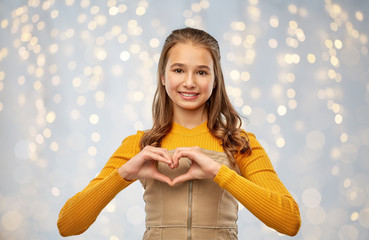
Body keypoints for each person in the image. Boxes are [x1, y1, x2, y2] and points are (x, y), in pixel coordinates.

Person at [57, 27, 301, 239]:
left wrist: (219, 172)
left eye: (202, 72)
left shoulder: (238, 143)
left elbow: (289, 222)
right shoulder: (140, 144)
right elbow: (68, 225)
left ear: (216, 80)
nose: (190, 82)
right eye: (178, 70)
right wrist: (123, 175)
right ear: (163, 76)